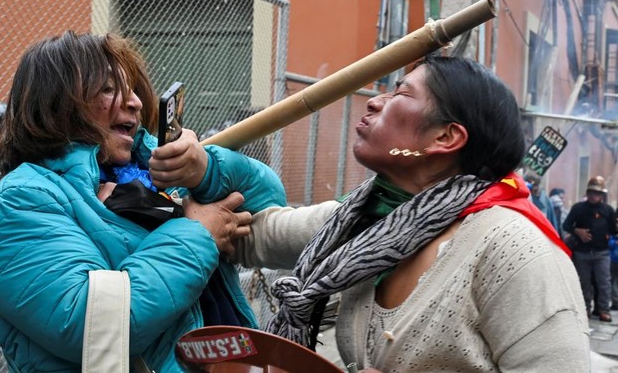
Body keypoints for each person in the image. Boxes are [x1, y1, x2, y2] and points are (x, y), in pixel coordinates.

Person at [230, 55, 589, 371]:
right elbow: (247, 235)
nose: (375, 102)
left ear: (445, 138)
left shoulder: (515, 251)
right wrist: (204, 169)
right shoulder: (366, 220)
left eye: (400, 94)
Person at [0, 31, 286, 373]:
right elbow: (89, 325)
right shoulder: (21, 201)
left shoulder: (147, 167)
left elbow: (268, 201)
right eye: (108, 88)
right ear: (58, 103)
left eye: (132, 88)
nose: (134, 101)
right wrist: (200, 234)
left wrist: (204, 170)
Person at [563, 176, 616, 323]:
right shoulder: (578, 208)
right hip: (582, 252)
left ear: (602, 195)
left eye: (597, 193)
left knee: (604, 282)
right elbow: (566, 225)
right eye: (591, 192)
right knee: (583, 282)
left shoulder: (608, 210)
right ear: (587, 192)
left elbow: (613, 229)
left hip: (602, 253)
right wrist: (577, 231)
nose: (594, 196)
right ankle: (585, 308)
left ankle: (603, 310)